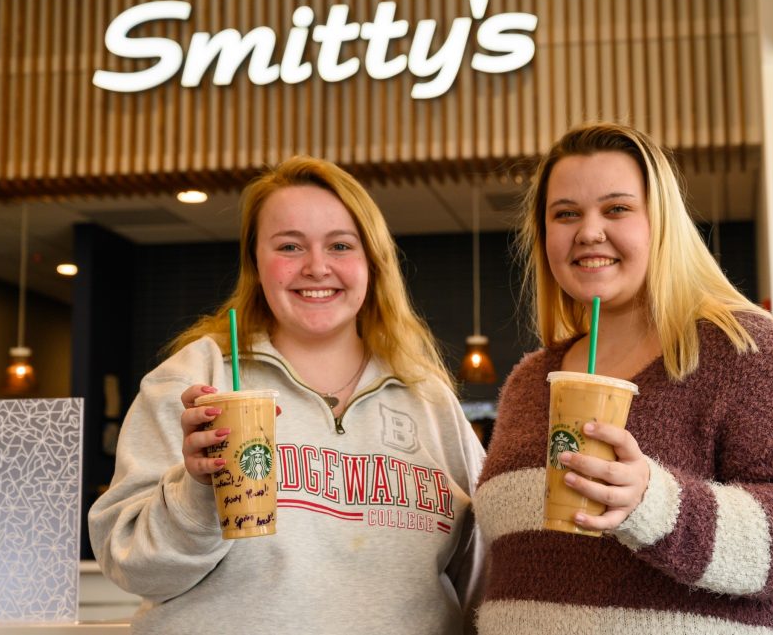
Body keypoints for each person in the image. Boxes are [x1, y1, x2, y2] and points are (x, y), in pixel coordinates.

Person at [473, 123, 773, 634]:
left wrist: (653, 503)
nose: (588, 231)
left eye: (617, 208)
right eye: (566, 214)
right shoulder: (529, 382)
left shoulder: (742, 351)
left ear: (660, 223)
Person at [89, 156, 484, 634]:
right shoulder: (198, 376)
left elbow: (482, 575)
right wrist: (197, 493)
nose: (316, 267)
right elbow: (134, 567)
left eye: (340, 245)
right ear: (256, 262)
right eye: (290, 246)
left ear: (372, 262)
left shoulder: (430, 400)